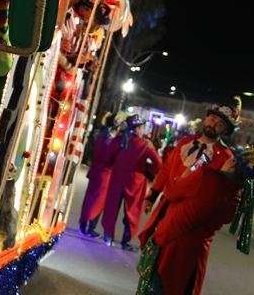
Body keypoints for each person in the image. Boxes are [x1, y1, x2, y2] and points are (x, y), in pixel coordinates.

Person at [137, 98, 241, 295]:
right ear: (206, 119)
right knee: (155, 251)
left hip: (190, 215)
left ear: (224, 131)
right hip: (168, 204)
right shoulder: (185, 143)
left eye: (219, 124)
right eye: (212, 119)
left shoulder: (226, 157)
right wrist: (153, 195)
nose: (213, 124)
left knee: (179, 267)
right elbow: (167, 170)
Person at [102, 114, 161, 251]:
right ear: (138, 128)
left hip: (117, 178)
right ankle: (126, 242)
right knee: (132, 212)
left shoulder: (119, 140)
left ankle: (108, 238)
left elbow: (107, 155)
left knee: (112, 208)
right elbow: (158, 162)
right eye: (142, 128)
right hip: (135, 181)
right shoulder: (145, 144)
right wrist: (149, 172)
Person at [78, 114, 120, 238]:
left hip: (95, 171)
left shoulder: (100, 138)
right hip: (104, 174)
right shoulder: (111, 142)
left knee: (90, 199)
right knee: (97, 202)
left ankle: (85, 225)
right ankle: (88, 227)